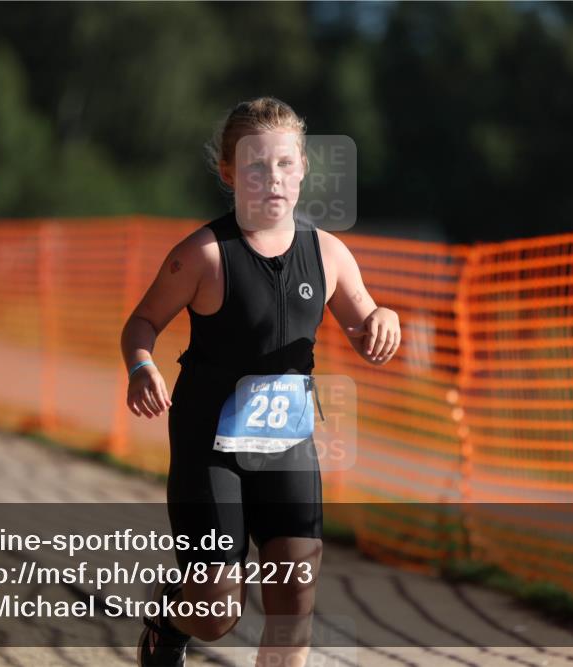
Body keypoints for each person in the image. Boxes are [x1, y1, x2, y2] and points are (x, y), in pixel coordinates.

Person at [120, 96, 401, 667]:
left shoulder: (329, 254)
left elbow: (364, 320)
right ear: (229, 173)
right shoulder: (203, 255)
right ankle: (171, 623)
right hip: (210, 450)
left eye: (283, 165)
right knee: (217, 609)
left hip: (287, 448)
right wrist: (141, 366)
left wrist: (383, 321)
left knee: (295, 598)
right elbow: (141, 322)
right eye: (254, 166)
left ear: (301, 169)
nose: (270, 179)